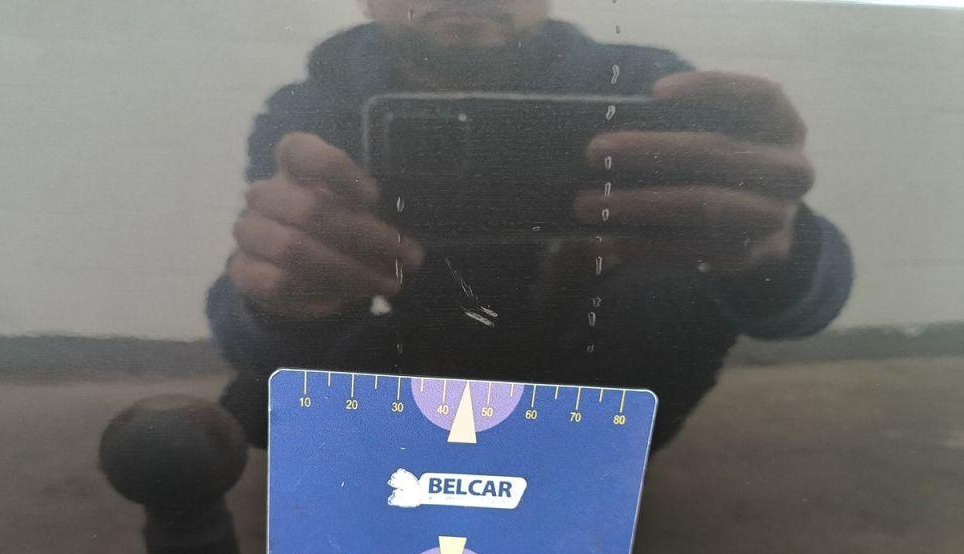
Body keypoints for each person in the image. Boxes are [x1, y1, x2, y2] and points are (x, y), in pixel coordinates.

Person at [207, 0, 853, 449]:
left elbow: (794, 303)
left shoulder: (648, 85)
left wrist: (777, 245)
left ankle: (565, 465)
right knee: (270, 375)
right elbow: (257, 280)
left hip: (587, 361)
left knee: (674, 284)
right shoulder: (310, 109)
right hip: (413, 351)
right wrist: (281, 302)